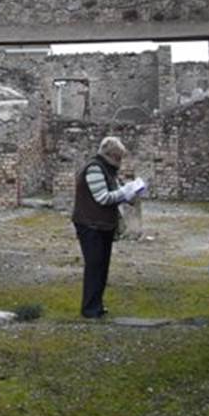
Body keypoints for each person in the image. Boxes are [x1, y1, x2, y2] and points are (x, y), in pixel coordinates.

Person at [71, 136, 146, 319]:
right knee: (94, 266)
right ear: (109, 154)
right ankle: (89, 308)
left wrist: (129, 193)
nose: (120, 161)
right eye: (118, 157)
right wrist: (124, 192)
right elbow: (103, 197)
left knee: (102, 267)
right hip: (90, 224)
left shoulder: (108, 169)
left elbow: (115, 192)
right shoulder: (95, 168)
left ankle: (97, 305)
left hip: (102, 224)